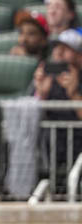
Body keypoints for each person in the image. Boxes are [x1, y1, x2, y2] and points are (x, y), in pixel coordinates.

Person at [33, 28, 82, 182]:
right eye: (57, 48)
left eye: (66, 49)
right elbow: (29, 120)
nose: (59, 53)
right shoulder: (45, 78)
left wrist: (74, 94)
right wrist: (41, 94)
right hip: (48, 151)